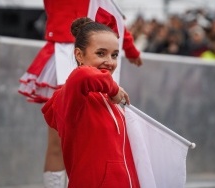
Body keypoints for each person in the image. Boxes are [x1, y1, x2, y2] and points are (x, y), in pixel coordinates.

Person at [17, 0, 143, 187]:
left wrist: (128, 47)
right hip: (72, 50)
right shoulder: (85, 66)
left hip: (96, 42)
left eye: (115, 56)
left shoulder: (105, 53)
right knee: (58, 142)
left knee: (102, 137)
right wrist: (129, 49)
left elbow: (108, 9)